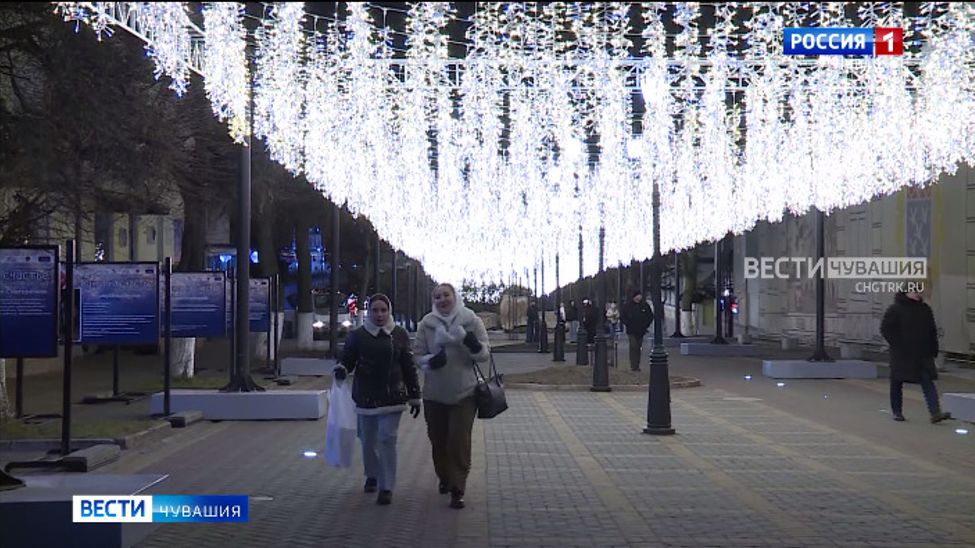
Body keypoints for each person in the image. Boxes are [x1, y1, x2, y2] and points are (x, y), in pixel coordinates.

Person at [334, 294, 421, 506]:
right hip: (366, 396)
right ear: (370, 312)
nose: (380, 314)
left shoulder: (399, 334)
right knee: (367, 440)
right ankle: (372, 474)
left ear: (389, 311)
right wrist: (341, 370)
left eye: (384, 310)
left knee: (387, 439)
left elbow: (409, 366)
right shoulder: (358, 335)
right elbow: (347, 360)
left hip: (393, 396)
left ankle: (386, 487)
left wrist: (415, 395)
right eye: (375, 310)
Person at [415, 283, 491, 509]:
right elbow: (417, 355)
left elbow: (485, 354)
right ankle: (445, 477)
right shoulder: (426, 324)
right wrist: (429, 362)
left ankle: (458, 487)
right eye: (437, 296)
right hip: (434, 395)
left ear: (454, 296)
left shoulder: (471, 320)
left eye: (446, 295)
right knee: (438, 441)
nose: (442, 299)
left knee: (458, 441)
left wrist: (473, 344)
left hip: (464, 393)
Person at [880, 288, 951, 424]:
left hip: (922, 354)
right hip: (902, 354)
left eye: (918, 291)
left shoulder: (925, 309)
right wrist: (897, 343)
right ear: (906, 292)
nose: (917, 293)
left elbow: (932, 330)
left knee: (927, 381)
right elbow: (885, 328)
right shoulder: (895, 309)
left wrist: (933, 349)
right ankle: (897, 412)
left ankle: (935, 413)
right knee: (896, 382)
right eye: (913, 291)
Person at [621, 290, 654, 372]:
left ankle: (636, 365)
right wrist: (627, 324)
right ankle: (633, 365)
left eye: (640, 295)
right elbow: (623, 316)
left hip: (641, 330)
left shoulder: (644, 305)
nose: (639, 297)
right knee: (633, 346)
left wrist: (645, 325)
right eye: (637, 295)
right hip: (631, 330)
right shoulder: (628, 306)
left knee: (638, 348)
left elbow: (650, 316)